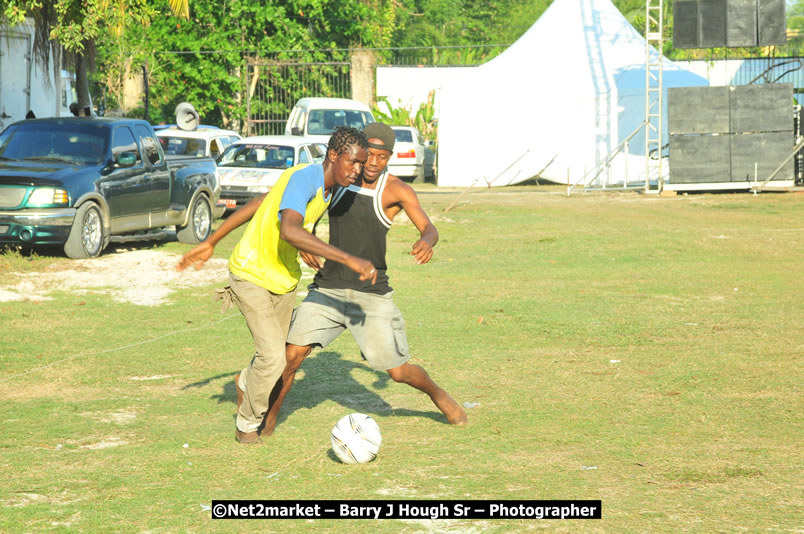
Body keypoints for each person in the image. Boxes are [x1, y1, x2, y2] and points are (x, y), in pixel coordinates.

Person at [257, 122, 467, 436]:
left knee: (397, 372)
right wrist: (304, 243)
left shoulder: (396, 189)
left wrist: (427, 240)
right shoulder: (339, 179)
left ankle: (438, 394)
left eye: (383, 157)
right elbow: (302, 214)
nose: (373, 163)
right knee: (291, 356)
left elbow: (429, 227)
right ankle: (267, 422)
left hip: (372, 295)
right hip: (328, 289)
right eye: (369, 155)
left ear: (390, 158)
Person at [176, 127, 376, 444]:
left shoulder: (328, 188)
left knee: (271, 355)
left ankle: (244, 382)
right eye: (353, 162)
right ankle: (246, 425)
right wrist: (348, 259)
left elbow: (261, 202)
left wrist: (214, 240)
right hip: (250, 272)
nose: (357, 170)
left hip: (283, 280)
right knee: (273, 358)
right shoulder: (304, 178)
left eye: (361, 164)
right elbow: (289, 230)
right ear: (334, 156)